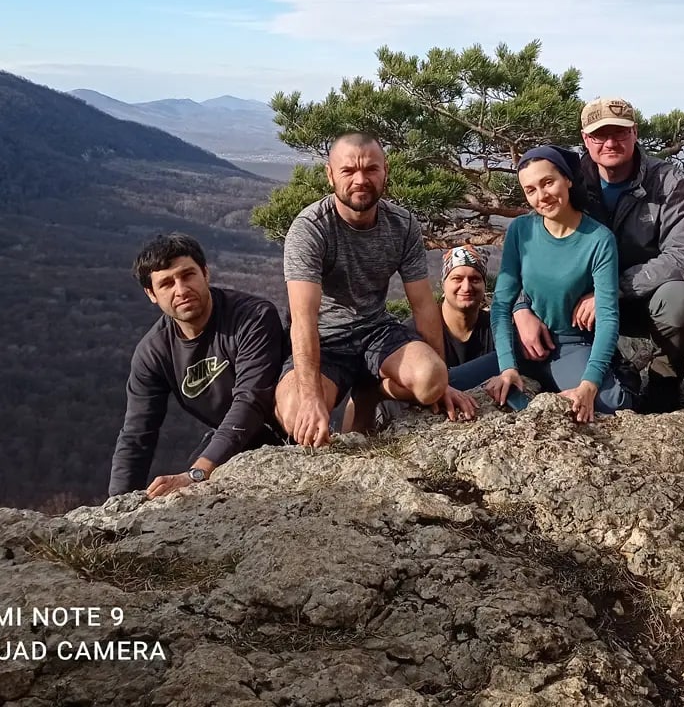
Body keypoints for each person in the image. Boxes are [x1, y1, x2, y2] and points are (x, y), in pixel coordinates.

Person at [275, 132, 476, 446]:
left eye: (370, 169)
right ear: (330, 175)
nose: (360, 179)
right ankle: (348, 388)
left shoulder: (402, 224)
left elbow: (423, 304)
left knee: (430, 379)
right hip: (325, 339)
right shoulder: (311, 228)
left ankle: (373, 390)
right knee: (295, 412)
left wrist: (442, 383)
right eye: (348, 171)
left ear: (385, 172)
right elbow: (303, 319)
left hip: (376, 331)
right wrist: (312, 397)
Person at [513, 97, 684, 409]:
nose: (610, 143)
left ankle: (663, 381)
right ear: (586, 139)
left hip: (643, 298)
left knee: (679, 298)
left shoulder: (667, 181)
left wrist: (610, 290)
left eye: (620, 133)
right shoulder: (570, 180)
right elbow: (535, 246)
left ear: (635, 133)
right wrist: (521, 307)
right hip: (579, 304)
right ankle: (599, 366)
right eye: (600, 135)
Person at [109, 233, 286, 497]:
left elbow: (251, 400)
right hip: (232, 440)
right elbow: (137, 436)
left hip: (286, 433)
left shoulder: (253, 317)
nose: (181, 290)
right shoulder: (154, 353)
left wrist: (199, 471)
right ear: (151, 294)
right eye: (167, 283)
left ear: (205, 273)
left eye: (187, 275)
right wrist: (116, 509)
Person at [488, 145, 635, 421]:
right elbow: (500, 305)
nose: (542, 196)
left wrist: (589, 383)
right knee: (454, 382)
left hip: (572, 345)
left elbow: (607, 318)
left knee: (610, 403)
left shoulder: (598, 239)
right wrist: (507, 367)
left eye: (547, 182)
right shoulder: (521, 230)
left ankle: (619, 376)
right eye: (530, 190)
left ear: (567, 179)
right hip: (525, 347)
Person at [410, 245, 500, 391]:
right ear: (443, 285)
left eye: (475, 279)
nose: (466, 287)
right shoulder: (416, 330)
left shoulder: (497, 328)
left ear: (485, 285)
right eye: (457, 279)